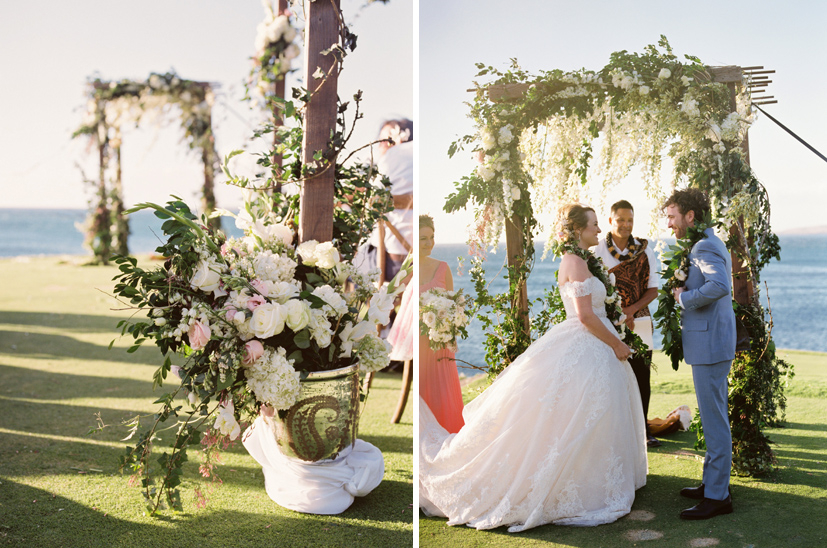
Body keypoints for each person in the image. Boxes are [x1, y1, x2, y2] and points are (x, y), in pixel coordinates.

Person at [419, 205, 647, 532]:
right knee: (573, 417)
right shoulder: (574, 262)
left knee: (588, 418)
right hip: (584, 344)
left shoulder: (583, 260)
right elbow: (584, 315)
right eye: (594, 226)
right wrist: (617, 344)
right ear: (578, 230)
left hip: (590, 346)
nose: (599, 231)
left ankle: (594, 477)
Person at [663, 188, 735, 520]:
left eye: (672, 216)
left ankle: (718, 497)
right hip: (710, 343)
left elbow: (720, 286)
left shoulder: (704, 245)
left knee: (715, 420)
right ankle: (712, 484)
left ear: (690, 216)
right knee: (711, 416)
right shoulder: (705, 241)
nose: (669, 224)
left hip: (710, 346)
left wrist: (683, 298)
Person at [593, 200, 661, 448]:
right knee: (611, 375)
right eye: (620, 219)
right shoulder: (596, 251)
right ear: (610, 221)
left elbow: (653, 289)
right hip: (608, 323)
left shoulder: (645, 251)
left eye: (629, 220)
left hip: (639, 320)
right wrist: (615, 313)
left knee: (642, 375)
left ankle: (643, 432)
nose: (625, 224)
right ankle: (614, 431)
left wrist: (630, 311)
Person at [419, 214, 465, 434]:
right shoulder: (407, 271)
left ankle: (448, 434)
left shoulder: (442, 267)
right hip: (418, 342)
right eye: (423, 238)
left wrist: (450, 335)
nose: (430, 243)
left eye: (432, 237)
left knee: (443, 393)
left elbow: (453, 306)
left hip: (440, 341)